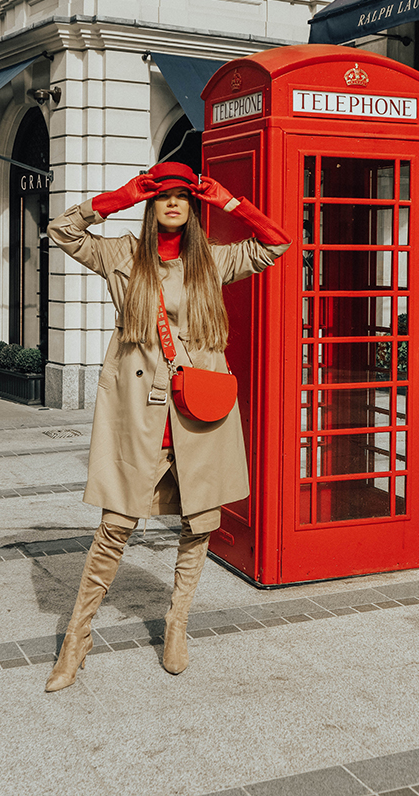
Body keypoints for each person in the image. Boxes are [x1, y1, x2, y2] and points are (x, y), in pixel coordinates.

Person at [44, 162, 291, 692]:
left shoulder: (214, 260)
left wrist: (228, 201)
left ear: (193, 207)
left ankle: (177, 625)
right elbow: (61, 230)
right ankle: (76, 638)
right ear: (152, 204)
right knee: (115, 527)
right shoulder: (121, 254)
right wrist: (120, 196)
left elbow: (276, 243)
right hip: (138, 413)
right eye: (163, 196)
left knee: (199, 523)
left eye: (183, 196)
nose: (173, 203)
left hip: (198, 414)